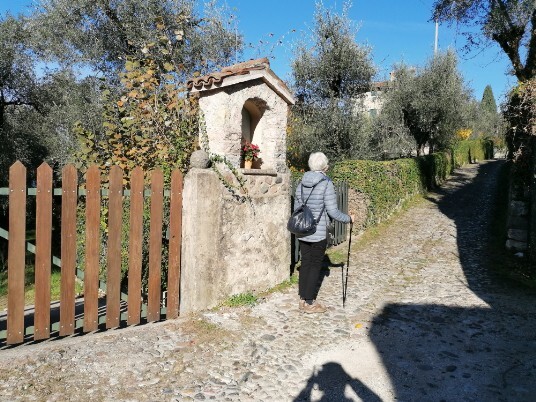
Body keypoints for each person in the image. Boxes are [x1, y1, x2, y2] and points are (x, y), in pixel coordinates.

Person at [294, 152, 353, 314]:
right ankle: (310, 302)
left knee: (305, 262)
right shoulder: (326, 183)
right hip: (318, 232)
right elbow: (333, 212)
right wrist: (348, 219)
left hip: (302, 229)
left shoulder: (301, 181)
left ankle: (302, 298)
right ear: (325, 166)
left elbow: (296, 208)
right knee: (314, 265)